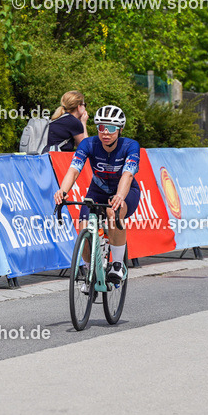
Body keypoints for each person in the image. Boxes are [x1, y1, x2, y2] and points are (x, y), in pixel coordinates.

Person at [53, 105, 138, 286]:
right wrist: (63, 191)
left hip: (125, 190)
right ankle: (90, 272)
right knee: (83, 229)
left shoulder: (130, 146)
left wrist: (120, 196)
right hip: (97, 192)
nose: (106, 133)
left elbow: (128, 174)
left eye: (112, 128)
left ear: (120, 129)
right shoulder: (88, 144)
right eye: (101, 127)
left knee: (114, 213)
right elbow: (74, 170)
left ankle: (116, 264)